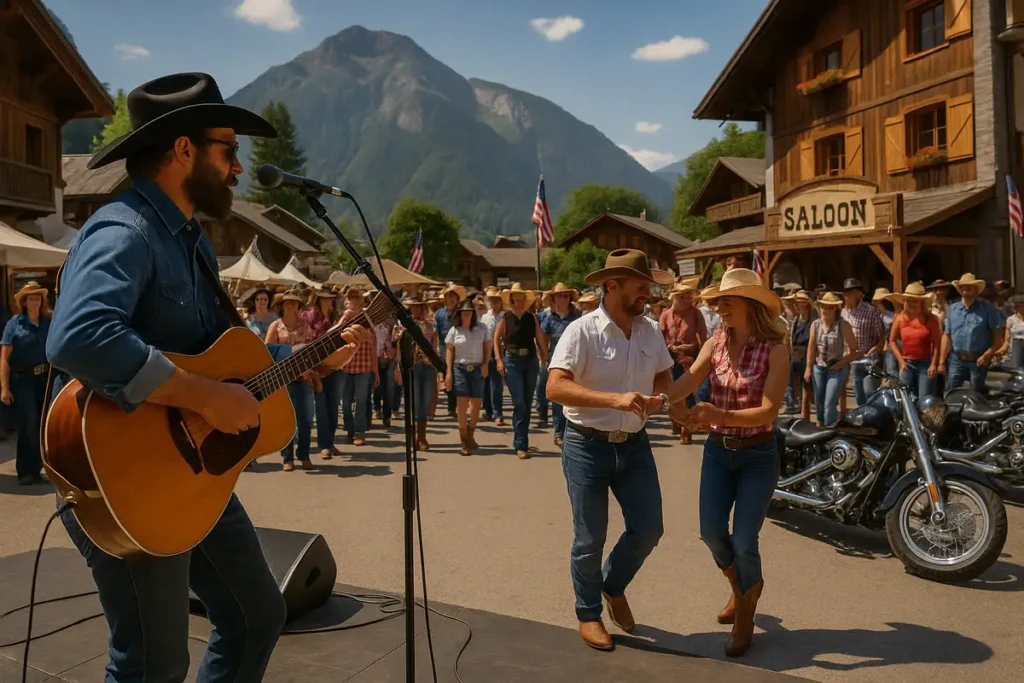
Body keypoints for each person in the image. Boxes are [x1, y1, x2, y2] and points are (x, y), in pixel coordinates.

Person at [44, 72, 363, 683]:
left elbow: (219, 357)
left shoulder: (190, 243)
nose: (239, 166)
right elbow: (78, 336)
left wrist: (311, 358)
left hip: (190, 473)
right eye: (229, 149)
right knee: (152, 665)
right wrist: (202, 396)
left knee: (257, 616)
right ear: (184, 149)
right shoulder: (125, 230)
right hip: (123, 477)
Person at [546, 249, 675, 652]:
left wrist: (661, 399)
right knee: (589, 538)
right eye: (641, 286)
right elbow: (555, 387)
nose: (647, 293)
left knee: (649, 528)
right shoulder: (581, 331)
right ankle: (588, 613)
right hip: (586, 446)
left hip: (634, 446)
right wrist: (614, 400)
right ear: (613, 285)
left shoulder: (650, 330)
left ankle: (612, 586)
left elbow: (665, 376)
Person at [665, 268, 788, 658]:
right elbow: (686, 381)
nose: (719, 308)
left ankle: (745, 613)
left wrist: (718, 414)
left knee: (745, 540)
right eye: (717, 302)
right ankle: (743, 588)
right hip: (719, 452)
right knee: (712, 532)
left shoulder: (775, 349)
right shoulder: (715, 342)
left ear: (750, 304)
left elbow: (768, 410)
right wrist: (663, 401)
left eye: (727, 301)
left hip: (758, 454)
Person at [1, 281, 52, 485]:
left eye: (37, 298)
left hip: (45, 377)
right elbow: (4, 358)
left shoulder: (48, 322)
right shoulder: (14, 324)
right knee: (28, 424)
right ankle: (25, 471)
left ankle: (37, 469)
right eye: (31, 298)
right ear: (24, 302)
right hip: (23, 379)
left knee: (43, 424)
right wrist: (4, 388)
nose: (35, 301)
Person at [494, 282, 549, 459]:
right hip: (512, 361)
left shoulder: (532, 318)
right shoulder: (505, 318)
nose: (520, 301)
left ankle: (522, 441)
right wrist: (499, 360)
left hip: (530, 361)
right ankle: (520, 444)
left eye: (523, 298)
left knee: (527, 402)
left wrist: (544, 356)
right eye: (517, 298)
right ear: (512, 300)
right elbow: (496, 339)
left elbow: (539, 337)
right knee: (519, 403)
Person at [266, 291, 318, 471]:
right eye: (287, 302)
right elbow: (268, 351)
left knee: (306, 418)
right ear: (282, 305)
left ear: (299, 306)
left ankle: (304, 455)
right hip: (283, 379)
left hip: (304, 377)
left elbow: (312, 347)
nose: (291, 305)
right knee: (286, 419)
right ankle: (287, 458)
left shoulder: (305, 325)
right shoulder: (275, 326)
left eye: (294, 303)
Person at [659, 283, 708, 444]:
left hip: (689, 357)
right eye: (682, 296)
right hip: (670, 358)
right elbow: (659, 338)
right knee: (672, 391)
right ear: (674, 298)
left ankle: (686, 429)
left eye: (688, 296)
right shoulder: (666, 315)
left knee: (688, 392)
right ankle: (676, 420)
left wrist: (703, 359)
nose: (686, 300)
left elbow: (703, 336)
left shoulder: (695, 313)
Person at [940, 273, 1004, 393]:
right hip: (956, 359)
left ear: (976, 290)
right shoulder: (952, 309)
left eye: (970, 286)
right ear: (959, 289)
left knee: (976, 394)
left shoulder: (988, 309)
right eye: (963, 286)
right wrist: (941, 362)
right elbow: (947, 336)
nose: (966, 288)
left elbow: (998, 339)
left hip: (978, 359)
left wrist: (987, 355)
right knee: (951, 392)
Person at [444, 299, 492, 455]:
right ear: (459, 314)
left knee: (476, 405)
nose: (467, 315)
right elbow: (449, 351)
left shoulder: (482, 328)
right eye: (464, 313)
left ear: (473, 314)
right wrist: (448, 372)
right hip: (460, 368)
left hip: (477, 368)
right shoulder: (454, 330)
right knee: (462, 404)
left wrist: (486, 364)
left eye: (469, 312)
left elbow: (487, 347)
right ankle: (464, 439)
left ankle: (471, 433)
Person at [805, 292, 859, 426]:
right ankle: (820, 424)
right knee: (819, 401)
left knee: (829, 402)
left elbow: (855, 351)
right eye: (823, 306)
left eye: (830, 307)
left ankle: (830, 428)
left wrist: (842, 362)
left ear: (836, 309)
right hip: (819, 366)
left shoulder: (843, 325)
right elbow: (811, 348)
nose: (825, 310)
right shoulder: (815, 325)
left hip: (836, 367)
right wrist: (808, 368)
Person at [394, 297, 439, 450]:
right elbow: (399, 348)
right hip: (411, 367)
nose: (417, 310)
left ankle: (422, 437)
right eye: (414, 307)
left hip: (428, 367)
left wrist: (437, 368)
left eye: (419, 307)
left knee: (425, 402)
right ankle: (413, 437)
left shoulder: (430, 326)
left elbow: (435, 348)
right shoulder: (404, 326)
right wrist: (397, 368)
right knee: (414, 403)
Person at [540, 282, 582, 447]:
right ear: (554, 298)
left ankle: (574, 431)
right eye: (561, 296)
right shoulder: (549, 317)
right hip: (556, 361)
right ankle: (559, 432)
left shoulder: (578, 316)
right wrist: (544, 356)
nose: (564, 298)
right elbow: (544, 338)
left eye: (566, 295)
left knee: (575, 397)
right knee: (558, 398)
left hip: (577, 360)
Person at [304, 288, 343, 459]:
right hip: (317, 367)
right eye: (324, 298)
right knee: (321, 408)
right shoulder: (310, 316)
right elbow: (309, 338)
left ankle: (330, 442)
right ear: (318, 299)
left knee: (333, 406)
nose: (328, 301)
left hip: (336, 366)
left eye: (330, 298)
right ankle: (324, 445)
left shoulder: (337, 316)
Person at [340, 287, 379, 446]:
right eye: (351, 298)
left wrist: (376, 371)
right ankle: (350, 431)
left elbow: (373, 345)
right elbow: (334, 335)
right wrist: (345, 318)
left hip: (364, 366)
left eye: (357, 298)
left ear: (361, 300)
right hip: (346, 367)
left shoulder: (367, 318)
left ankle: (359, 433)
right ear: (347, 301)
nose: (354, 301)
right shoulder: (344, 318)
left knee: (362, 401)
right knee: (345, 403)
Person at [888, 282, 941, 400]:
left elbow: (937, 344)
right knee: (904, 398)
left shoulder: (931, 319)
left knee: (924, 398)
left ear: (922, 302)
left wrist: (934, 364)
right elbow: (892, 341)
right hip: (907, 363)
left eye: (915, 301)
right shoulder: (900, 318)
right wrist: (901, 362)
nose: (912, 304)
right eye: (909, 300)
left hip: (925, 364)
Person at [840, 278, 885, 404]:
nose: (848, 296)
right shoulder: (842, 313)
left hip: (870, 359)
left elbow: (881, 337)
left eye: (851, 293)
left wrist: (875, 349)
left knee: (869, 392)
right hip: (854, 361)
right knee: (859, 397)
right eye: (846, 293)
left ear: (858, 294)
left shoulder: (871, 311)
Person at [434, 282, 464, 419]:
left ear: (457, 299)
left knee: (458, 376)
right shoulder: (439, 314)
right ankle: (451, 407)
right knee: (448, 375)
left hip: (460, 348)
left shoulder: (461, 312)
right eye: (448, 296)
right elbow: (437, 333)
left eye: (453, 296)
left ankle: (456, 406)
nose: (451, 299)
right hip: (444, 347)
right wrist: (438, 348)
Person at [785, 290, 815, 416]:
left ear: (807, 306)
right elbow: (791, 338)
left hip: (806, 354)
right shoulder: (796, 320)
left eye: (803, 304)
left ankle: (803, 406)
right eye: (798, 304)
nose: (800, 307)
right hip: (795, 354)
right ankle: (790, 405)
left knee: (805, 384)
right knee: (790, 381)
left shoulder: (812, 322)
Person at [480, 286, 506, 425]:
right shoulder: (485, 317)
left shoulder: (505, 316)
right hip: (486, 351)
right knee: (485, 382)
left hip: (501, 351)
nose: (494, 302)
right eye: (491, 300)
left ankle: (498, 412)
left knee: (496, 384)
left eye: (496, 299)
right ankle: (487, 410)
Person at [872, 287, 898, 376]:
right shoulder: (874, 314)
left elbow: (890, 331)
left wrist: (886, 343)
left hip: (888, 345)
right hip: (876, 346)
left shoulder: (891, 315)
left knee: (890, 369)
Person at [998, 294, 1024, 368]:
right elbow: (1007, 341)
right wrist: (1000, 351)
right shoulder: (1011, 320)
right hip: (1017, 347)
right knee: (1017, 368)